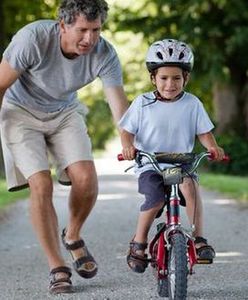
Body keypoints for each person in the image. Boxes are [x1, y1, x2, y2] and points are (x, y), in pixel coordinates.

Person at [0, 0, 128, 294]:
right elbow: (0, 84)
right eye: (82, 29)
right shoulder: (32, 39)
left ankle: (72, 235)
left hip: (64, 112)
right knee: (41, 185)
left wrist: (129, 141)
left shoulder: (104, 53)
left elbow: (118, 105)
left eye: (96, 30)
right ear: (63, 26)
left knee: (86, 179)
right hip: (20, 112)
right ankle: (57, 265)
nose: (90, 39)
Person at [119, 39, 225, 273]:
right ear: (153, 78)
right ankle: (139, 242)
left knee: (190, 187)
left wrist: (213, 147)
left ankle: (199, 239)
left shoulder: (192, 103)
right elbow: (126, 131)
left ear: (185, 78)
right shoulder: (142, 103)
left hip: (181, 163)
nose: (170, 84)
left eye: (176, 78)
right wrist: (128, 147)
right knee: (155, 199)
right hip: (151, 164)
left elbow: (204, 133)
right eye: (164, 78)